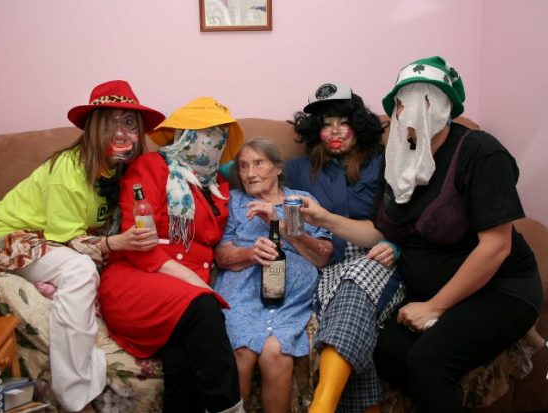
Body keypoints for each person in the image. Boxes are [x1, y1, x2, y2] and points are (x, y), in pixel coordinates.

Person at [303, 57, 543, 413]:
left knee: (427, 363)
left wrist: (435, 306)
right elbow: (378, 231)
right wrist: (325, 217)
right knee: (381, 349)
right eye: (401, 104)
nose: (409, 113)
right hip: (425, 289)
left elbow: (496, 246)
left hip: (497, 289)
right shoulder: (398, 157)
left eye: (423, 102)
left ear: (444, 108)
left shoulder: (479, 152)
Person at [0, 80, 165, 412]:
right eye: (111, 122)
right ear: (94, 128)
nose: (121, 132)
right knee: (80, 271)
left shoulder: (121, 170)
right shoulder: (69, 169)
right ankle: (75, 396)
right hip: (15, 234)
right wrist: (113, 242)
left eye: (130, 122)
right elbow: (70, 241)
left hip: (60, 238)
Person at [98, 97, 246, 413]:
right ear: (183, 134)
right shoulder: (151, 166)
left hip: (183, 289)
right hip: (139, 277)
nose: (213, 138)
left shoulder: (219, 184)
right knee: (204, 308)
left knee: (183, 363)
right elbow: (141, 245)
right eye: (204, 130)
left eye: (220, 131)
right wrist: (196, 285)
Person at [286, 83, 404, 413]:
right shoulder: (298, 169)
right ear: (315, 131)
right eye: (326, 124)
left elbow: (409, 216)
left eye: (342, 121)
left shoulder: (384, 163)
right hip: (328, 262)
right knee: (350, 314)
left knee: (354, 286)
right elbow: (247, 168)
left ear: (358, 125)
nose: (335, 131)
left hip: (376, 257)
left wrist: (395, 244)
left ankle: (321, 407)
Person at [213, 139, 333, 412]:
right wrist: (249, 254)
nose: (249, 173)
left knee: (276, 353)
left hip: (290, 300)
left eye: (258, 163)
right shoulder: (234, 201)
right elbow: (221, 256)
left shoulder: (300, 201)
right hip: (243, 292)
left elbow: (322, 256)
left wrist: (277, 222)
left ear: (278, 168)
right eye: (243, 166)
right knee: (241, 351)